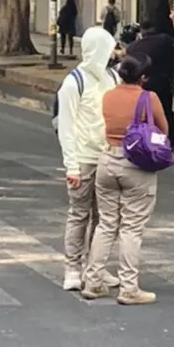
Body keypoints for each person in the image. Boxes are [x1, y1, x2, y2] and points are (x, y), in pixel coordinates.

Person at [81, 54, 169, 305]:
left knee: (106, 224)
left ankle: (93, 281)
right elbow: (163, 128)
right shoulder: (148, 98)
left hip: (107, 160)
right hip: (135, 163)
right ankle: (129, 287)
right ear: (143, 77)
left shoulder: (108, 96)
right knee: (131, 227)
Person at [56, 26, 122, 292]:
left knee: (105, 218)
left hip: (108, 157)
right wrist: (71, 165)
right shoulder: (73, 83)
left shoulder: (113, 78)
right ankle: (72, 267)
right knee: (79, 214)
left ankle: (96, 267)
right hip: (83, 159)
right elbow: (67, 128)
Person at [126, 19, 174, 147]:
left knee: (144, 112)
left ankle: (147, 138)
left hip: (144, 83)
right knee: (165, 110)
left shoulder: (134, 46)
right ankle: (168, 138)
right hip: (163, 81)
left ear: (141, 31)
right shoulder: (166, 41)